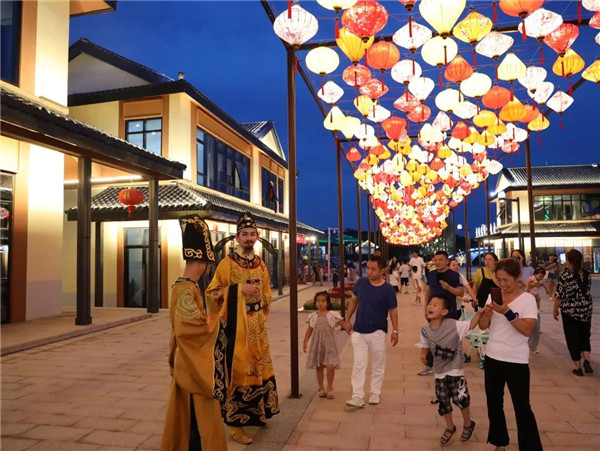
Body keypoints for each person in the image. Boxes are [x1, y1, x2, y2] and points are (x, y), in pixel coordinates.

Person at [205, 212, 279, 445]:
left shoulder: (260, 264)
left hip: (257, 325)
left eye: (252, 234)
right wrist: (237, 290)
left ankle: (257, 415)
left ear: (257, 237)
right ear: (237, 238)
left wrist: (262, 303)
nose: (249, 238)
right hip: (237, 327)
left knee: (259, 367)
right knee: (240, 369)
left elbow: (267, 291)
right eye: (244, 234)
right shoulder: (227, 264)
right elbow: (212, 293)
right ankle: (236, 424)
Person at [161, 215, 228, 451]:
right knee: (196, 420)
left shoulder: (186, 287)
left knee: (191, 419)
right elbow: (189, 326)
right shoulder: (185, 289)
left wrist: (213, 303)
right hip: (192, 367)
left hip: (188, 361)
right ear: (204, 263)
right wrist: (216, 321)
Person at [478, 258, 543, 451]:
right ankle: (499, 441)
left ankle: (530, 447)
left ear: (517, 278)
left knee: (522, 407)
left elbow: (526, 330)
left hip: (516, 360)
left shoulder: (527, 300)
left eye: (506, 279)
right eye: (498, 279)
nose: (502, 284)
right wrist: (486, 315)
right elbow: (483, 327)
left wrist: (507, 312)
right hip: (492, 356)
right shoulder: (494, 295)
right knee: (494, 403)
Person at [419, 295, 482, 446]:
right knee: (443, 402)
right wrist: (423, 355)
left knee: (461, 399)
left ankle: (468, 423)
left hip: (456, 371)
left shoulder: (454, 325)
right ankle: (450, 427)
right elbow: (424, 344)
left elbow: (471, 325)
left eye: (435, 304)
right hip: (439, 372)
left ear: (444, 311)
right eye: (430, 304)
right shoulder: (425, 330)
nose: (430, 306)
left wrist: (479, 313)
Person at [344, 255, 399, 407]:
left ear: (382, 270)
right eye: (367, 268)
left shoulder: (388, 289)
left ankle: (375, 393)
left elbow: (393, 310)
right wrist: (348, 320)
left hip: (378, 332)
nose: (369, 272)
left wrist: (396, 331)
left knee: (378, 364)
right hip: (359, 331)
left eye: (373, 269)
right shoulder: (361, 283)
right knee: (359, 365)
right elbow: (353, 301)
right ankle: (357, 396)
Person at [419, 251, 464, 376]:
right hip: (433, 311)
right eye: (436, 260)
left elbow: (460, 292)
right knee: (432, 337)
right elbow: (428, 290)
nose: (438, 262)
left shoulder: (454, 275)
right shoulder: (432, 274)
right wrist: (426, 307)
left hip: (449, 312)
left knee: (448, 339)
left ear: (446, 261)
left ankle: (448, 364)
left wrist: (448, 288)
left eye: (441, 260)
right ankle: (429, 364)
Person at [553, 249, 594, 376]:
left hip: (570, 311)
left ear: (569, 260)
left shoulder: (565, 276)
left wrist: (555, 310)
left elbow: (559, 295)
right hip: (586, 310)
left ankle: (578, 367)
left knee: (572, 338)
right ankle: (586, 360)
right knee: (585, 335)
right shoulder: (587, 274)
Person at [303, 291, 344, 399]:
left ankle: (330, 387)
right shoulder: (313, 316)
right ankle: (321, 387)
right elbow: (309, 330)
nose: (320, 303)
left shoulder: (332, 315)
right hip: (318, 344)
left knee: (330, 366)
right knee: (319, 366)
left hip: (329, 344)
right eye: (318, 301)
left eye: (323, 301)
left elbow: (342, 323)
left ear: (327, 302)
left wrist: (348, 326)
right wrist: (305, 341)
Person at [526, 267, 546, 355]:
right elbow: (527, 287)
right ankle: (529, 345)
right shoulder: (531, 279)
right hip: (528, 303)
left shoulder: (539, 281)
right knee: (529, 327)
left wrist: (548, 291)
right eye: (540, 276)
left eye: (542, 276)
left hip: (534, 304)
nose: (541, 278)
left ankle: (533, 346)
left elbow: (544, 285)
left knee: (536, 328)